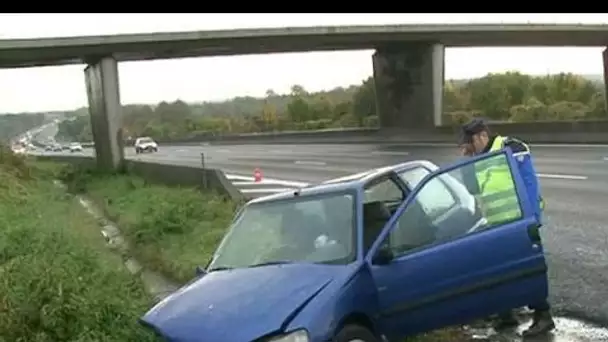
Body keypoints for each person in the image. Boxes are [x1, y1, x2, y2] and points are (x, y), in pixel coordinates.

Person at [458, 118, 555, 337]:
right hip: (497, 224)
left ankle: (543, 315)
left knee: (527, 269)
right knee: (499, 270)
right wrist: (467, 161)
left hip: (518, 221)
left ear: (482, 136)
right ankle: (505, 314)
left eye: (471, 142)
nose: (470, 147)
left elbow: (529, 181)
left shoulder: (510, 147)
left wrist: (532, 217)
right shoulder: (478, 157)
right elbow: (473, 189)